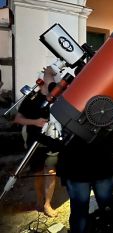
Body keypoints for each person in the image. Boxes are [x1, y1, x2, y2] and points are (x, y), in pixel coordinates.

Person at [13, 66, 58, 217]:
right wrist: (35, 122)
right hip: (35, 141)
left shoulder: (56, 98)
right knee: (38, 173)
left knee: (51, 172)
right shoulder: (31, 99)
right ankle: (39, 200)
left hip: (53, 141)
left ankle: (47, 204)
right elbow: (18, 119)